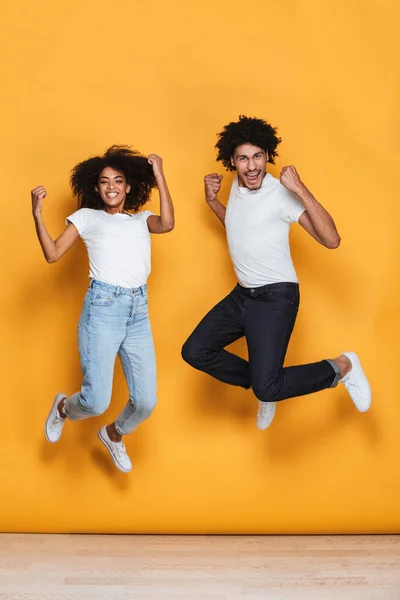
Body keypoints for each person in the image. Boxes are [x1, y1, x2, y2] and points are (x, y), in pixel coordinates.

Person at [181, 115, 371, 430]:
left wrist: (300, 189)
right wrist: (212, 201)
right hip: (242, 295)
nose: (252, 166)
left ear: (268, 156)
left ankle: (342, 366)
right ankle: (261, 383)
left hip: (275, 298)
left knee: (268, 386)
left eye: (258, 156)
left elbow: (331, 240)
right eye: (243, 158)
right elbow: (239, 228)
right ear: (232, 161)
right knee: (195, 350)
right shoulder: (236, 189)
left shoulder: (279, 194)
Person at [32, 145, 174, 472]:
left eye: (118, 180)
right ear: (96, 188)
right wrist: (38, 215)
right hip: (103, 309)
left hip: (138, 310)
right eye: (105, 181)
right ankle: (64, 408)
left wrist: (160, 176)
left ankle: (114, 434)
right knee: (96, 401)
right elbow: (53, 254)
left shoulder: (140, 219)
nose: (111, 186)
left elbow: (167, 224)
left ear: (129, 186)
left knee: (146, 402)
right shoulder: (87, 218)